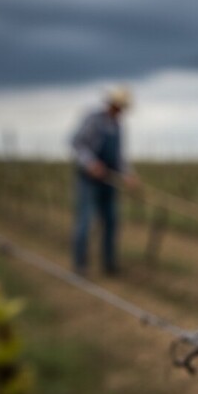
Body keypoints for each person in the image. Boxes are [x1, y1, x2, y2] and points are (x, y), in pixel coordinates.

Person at [70, 86, 139, 276]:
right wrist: (91, 164)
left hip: (109, 181)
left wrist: (128, 175)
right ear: (112, 104)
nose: (120, 111)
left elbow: (118, 157)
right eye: (119, 107)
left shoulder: (118, 126)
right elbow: (76, 143)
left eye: (123, 108)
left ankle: (109, 264)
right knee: (85, 222)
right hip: (89, 180)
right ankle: (80, 265)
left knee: (111, 221)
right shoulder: (94, 120)